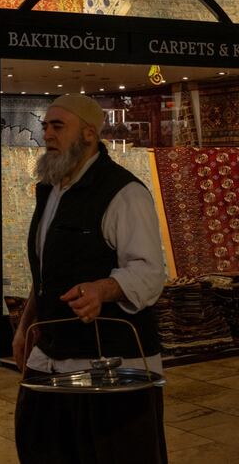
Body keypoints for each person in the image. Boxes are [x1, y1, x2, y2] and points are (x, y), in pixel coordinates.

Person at [12, 94, 167, 463]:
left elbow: (148, 272)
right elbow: (48, 272)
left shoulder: (124, 193)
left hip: (110, 363)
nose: (47, 133)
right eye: (45, 125)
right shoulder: (50, 190)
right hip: (50, 355)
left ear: (88, 134)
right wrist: (25, 326)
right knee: (40, 448)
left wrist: (102, 289)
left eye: (58, 126)